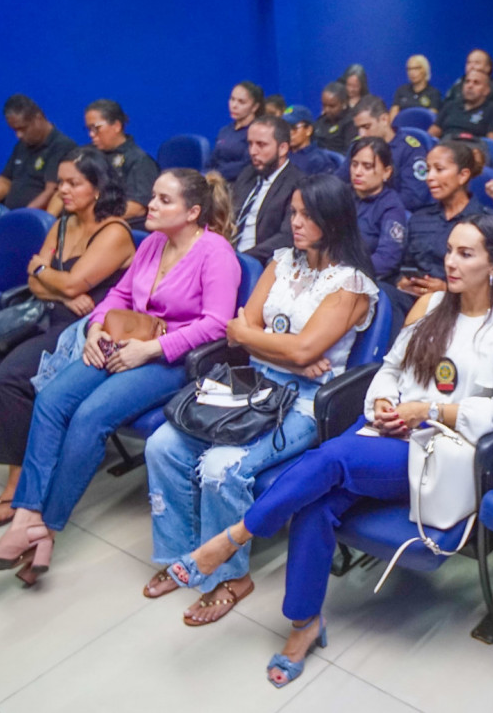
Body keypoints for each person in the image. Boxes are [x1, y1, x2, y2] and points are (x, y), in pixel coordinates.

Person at [164, 214, 493, 686]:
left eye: (466, 254)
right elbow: (390, 369)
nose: (450, 262)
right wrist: (381, 400)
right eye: (449, 251)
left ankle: (232, 538)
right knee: (316, 507)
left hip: (436, 450)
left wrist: (429, 412)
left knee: (332, 459)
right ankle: (304, 625)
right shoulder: (430, 305)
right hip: (386, 429)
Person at [0, 169, 241, 583]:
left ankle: (48, 526)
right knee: (51, 399)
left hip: (171, 360)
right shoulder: (151, 243)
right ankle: (25, 521)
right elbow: (118, 295)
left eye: (165, 200)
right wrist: (96, 329)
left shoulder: (216, 253)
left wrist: (149, 349)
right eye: (153, 195)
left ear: (193, 212)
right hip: (122, 340)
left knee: (89, 416)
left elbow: (216, 325)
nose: (151, 204)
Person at [142, 174, 378, 624]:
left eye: (308, 215)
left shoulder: (351, 283)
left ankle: (231, 576)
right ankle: (182, 556)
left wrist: (275, 345)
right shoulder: (282, 261)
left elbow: (300, 350)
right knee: (162, 445)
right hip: (254, 382)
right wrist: (283, 348)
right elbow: (238, 328)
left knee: (220, 467)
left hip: (307, 400)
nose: (296, 222)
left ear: (334, 219)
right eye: (293, 212)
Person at [0, 147, 138, 526]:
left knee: (10, 380)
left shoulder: (114, 231)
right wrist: (52, 281)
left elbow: (67, 280)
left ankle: (18, 482)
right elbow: (40, 284)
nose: (62, 190)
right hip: (42, 313)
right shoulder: (63, 223)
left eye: (73, 183)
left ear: (97, 188)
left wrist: (47, 274)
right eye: (62, 181)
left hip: (80, 330)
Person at [395, 141, 491, 316]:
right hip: (412, 302)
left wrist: (446, 289)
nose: (430, 177)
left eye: (439, 170)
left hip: (460, 307)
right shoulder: (419, 218)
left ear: (463, 176)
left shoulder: (485, 223)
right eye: (428, 169)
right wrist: (403, 283)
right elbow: (403, 265)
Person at [336, 96, 435, 213]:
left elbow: (414, 197)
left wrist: (373, 205)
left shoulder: (410, 149)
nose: (362, 134)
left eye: (366, 127)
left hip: (395, 214)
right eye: (358, 128)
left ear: (384, 119)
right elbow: (339, 182)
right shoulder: (358, 146)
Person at [231, 115, 305, 263]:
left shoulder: (297, 183)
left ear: (283, 148)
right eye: (250, 144)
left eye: (261, 144)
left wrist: (241, 258)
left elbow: (286, 237)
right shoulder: (247, 174)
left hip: (261, 263)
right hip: (228, 256)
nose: (253, 151)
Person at [0, 95, 77, 211]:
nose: (18, 135)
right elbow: (5, 181)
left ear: (38, 118)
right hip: (6, 214)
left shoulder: (62, 146)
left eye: (23, 129)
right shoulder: (22, 145)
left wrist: (23, 217)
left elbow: (52, 191)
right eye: (15, 130)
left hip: (34, 219)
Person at [78, 99, 158, 221]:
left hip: (116, 225)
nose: (91, 134)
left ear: (116, 126)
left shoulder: (139, 161)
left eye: (96, 128)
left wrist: (96, 220)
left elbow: (137, 207)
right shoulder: (86, 154)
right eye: (88, 129)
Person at [347, 137, 408, 282]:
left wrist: (348, 272)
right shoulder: (341, 195)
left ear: (386, 172)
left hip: (366, 279)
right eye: (354, 165)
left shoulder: (391, 207)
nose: (358, 172)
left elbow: (386, 259)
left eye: (367, 166)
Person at [430, 70, 493, 142]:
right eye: (467, 82)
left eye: (476, 83)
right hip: (445, 146)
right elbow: (432, 134)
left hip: (473, 150)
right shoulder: (450, 105)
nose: (470, 86)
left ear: (486, 90)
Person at [210, 82, 263, 181]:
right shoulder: (225, 131)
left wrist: (217, 174)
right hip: (216, 183)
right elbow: (212, 160)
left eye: (241, 102)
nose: (234, 105)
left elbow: (247, 164)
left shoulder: (258, 132)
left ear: (255, 107)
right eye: (232, 99)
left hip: (241, 184)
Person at [282, 105, 338, 176]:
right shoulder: (281, 155)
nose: (289, 133)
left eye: (294, 128)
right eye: (285, 127)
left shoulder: (318, 161)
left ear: (308, 130)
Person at [313, 82, 352, 155]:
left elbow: (349, 153)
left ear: (344, 103)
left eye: (332, 106)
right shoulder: (320, 121)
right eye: (324, 105)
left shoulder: (351, 123)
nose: (327, 110)